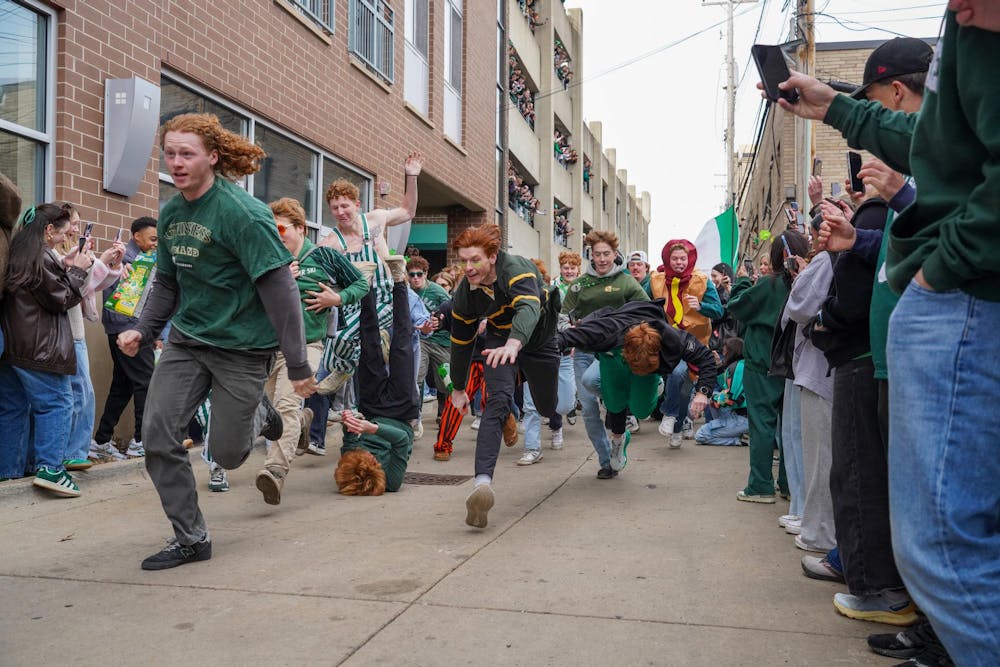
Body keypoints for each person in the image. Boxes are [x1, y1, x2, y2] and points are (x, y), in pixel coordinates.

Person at [117, 113, 315, 570]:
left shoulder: (242, 214)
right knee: (157, 436)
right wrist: (144, 329)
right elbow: (166, 281)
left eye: (187, 153)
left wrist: (298, 364)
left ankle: (261, 414)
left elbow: (280, 290)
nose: (177, 162)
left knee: (226, 453)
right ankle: (191, 538)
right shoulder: (170, 213)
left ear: (212, 156)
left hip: (243, 348)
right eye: (170, 153)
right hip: (188, 340)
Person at [448, 223, 570, 527]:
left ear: (492, 256)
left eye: (474, 259)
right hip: (500, 344)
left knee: (546, 406)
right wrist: (459, 387)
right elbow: (460, 343)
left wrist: (516, 343)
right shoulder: (466, 292)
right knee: (497, 401)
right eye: (463, 261)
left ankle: (536, 399)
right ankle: (482, 485)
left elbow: (528, 308)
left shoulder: (517, 268)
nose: (468, 267)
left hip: (538, 342)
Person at [255, 197, 368, 505]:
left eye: (280, 228)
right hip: (267, 346)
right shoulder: (267, 258)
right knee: (271, 415)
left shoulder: (324, 257)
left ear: (300, 229)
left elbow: (361, 285)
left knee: (285, 407)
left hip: (307, 346)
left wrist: (337, 299)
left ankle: (275, 472)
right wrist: (280, 282)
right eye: (271, 228)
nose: (276, 235)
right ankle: (305, 423)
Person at [558, 299, 716, 470]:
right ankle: (618, 439)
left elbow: (706, 358)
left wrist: (702, 392)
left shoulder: (673, 339)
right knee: (614, 401)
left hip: (647, 364)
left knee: (641, 410)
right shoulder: (604, 331)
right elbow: (563, 338)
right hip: (613, 353)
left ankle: (656, 383)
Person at [0, 203, 93, 496]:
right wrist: (78, 271)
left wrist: (64, 267)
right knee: (57, 404)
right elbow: (62, 298)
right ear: (49, 230)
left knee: (13, 409)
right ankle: (51, 469)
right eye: (65, 231)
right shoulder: (40, 256)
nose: (68, 236)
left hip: (14, 346)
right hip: (40, 348)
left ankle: (8, 475)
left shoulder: (18, 253)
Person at [316, 154, 424, 394]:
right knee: (337, 339)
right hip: (357, 303)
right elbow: (313, 269)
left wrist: (412, 175)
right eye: (335, 208)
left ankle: (409, 412)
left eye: (345, 205)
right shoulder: (331, 242)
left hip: (389, 297)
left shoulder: (375, 220)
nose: (341, 212)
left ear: (357, 204)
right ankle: (348, 364)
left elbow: (408, 211)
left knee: (402, 362)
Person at [727, 230, 809, 503]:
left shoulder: (769, 284)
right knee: (790, 426)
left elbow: (738, 307)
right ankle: (789, 484)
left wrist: (740, 282)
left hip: (762, 361)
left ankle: (760, 485)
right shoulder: (806, 282)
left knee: (762, 423)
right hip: (794, 364)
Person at [561, 230, 648, 478]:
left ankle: (619, 404)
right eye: (597, 254)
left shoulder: (626, 281)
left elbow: (646, 310)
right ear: (591, 255)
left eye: (606, 254)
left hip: (613, 353)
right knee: (588, 410)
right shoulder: (580, 284)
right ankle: (607, 460)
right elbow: (562, 315)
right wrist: (569, 329)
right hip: (585, 352)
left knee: (592, 382)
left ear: (614, 254)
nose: (601, 259)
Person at [334, 263, 418, 495]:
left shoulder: (349, 462)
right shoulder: (391, 482)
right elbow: (401, 441)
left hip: (371, 408)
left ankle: (366, 284)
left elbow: (350, 440)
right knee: (402, 344)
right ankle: (400, 280)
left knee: (369, 344)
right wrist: (372, 429)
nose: (368, 454)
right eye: (370, 459)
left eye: (362, 456)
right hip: (402, 413)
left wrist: (349, 422)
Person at [58, 205, 126, 471]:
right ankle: (72, 452)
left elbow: (90, 285)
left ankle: (75, 451)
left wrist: (109, 263)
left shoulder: (73, 253)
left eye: (77, 224)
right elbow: (74, 290)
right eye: (72, 224)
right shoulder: (57, 256)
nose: (76, 229)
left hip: (75, 332)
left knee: (80, 395)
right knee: (78, 395)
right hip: (67, 334)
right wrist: (98, 263)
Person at [91, 216, 159, 462]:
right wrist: (146, 334)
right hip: (129, 330)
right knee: (146, 383)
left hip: (122, 329)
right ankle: (141, 441)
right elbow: (131, 305)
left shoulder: (140, 257)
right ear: (136, 236)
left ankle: (101, 441)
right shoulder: (130, 260)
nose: (155, 244)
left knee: (123, 385)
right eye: (152, 239)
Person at [649, 240, 724, 447]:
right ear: (667, 259)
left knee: (685, 389)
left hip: (695, 345)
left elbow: (719, 311)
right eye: (675, 259)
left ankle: (678, 422)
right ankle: (671, 415)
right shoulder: (656, 280)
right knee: (677, 374)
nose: (679, 262)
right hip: (668, 341)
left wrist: (701, 306)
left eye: (683, 258)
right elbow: (643, 303)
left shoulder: (701, 280)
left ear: (689, 259)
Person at [408, 256, 451, 423]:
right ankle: (415, 417)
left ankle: (445, 414)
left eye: (419, 274)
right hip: (420, 340)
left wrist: (440, 321)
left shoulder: (437, 291)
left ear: (426, 273)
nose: (416, 278)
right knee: (417, 377)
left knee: (445, 381)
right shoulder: (406, 292)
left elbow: (451, 311)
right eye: (412, 275)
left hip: (441, 341)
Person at [694, 337, 747, 446]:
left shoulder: (738, 367)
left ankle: (740, 439)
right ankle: (734, 432)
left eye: (725, 348)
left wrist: (710, 400)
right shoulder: (738, 365)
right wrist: (718, 364)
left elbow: (731, 398)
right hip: (743, 416)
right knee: (714, 394)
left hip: (743, 418)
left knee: (701, 435)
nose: (723, 351)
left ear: (731, 350)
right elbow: (724, 385)